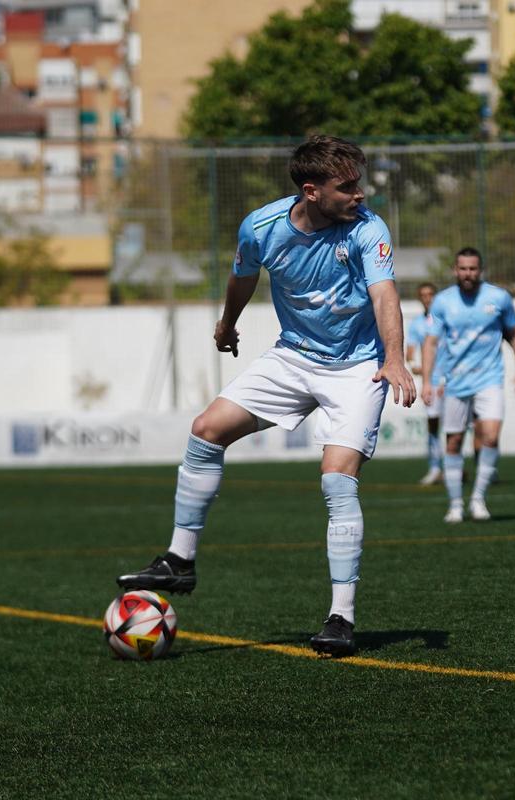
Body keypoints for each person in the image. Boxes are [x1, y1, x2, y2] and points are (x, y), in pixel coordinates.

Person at [116, 135, 416, 658]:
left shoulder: (368, 229)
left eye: (359, 184)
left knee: (337, 481)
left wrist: (394, 359)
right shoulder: (262, 227)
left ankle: (341, 618)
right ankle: (179, 560)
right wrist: (227, 324)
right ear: (312, 190)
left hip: (357, 368)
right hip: (293, 357)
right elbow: (243, 275)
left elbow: (384, 294)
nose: (360, 195)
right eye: (347, 187)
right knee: (207, 430)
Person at [421, 247, 515, 523]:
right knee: (454, 441)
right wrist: (427, 382)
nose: (468, 274)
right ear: (455, 270)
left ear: (480, 270)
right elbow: (431, 343)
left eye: (473, 269)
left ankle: (478, 499)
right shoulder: (443, 302)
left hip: (490, 378)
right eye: (463, 269)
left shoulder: (498, 298)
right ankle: (455, 504)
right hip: (455, 382)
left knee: (490, 436)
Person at [405, 282, 444, 485]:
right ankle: (435, 467)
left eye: (431, 294)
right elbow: (410, 351)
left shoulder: (446, 319)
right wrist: (414, 364)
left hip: (454, 380)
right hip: (432, 382)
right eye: (424, 295)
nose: (427, 298)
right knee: (433, 425)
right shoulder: (417, 324)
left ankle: (462, 466)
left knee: (465, 425)